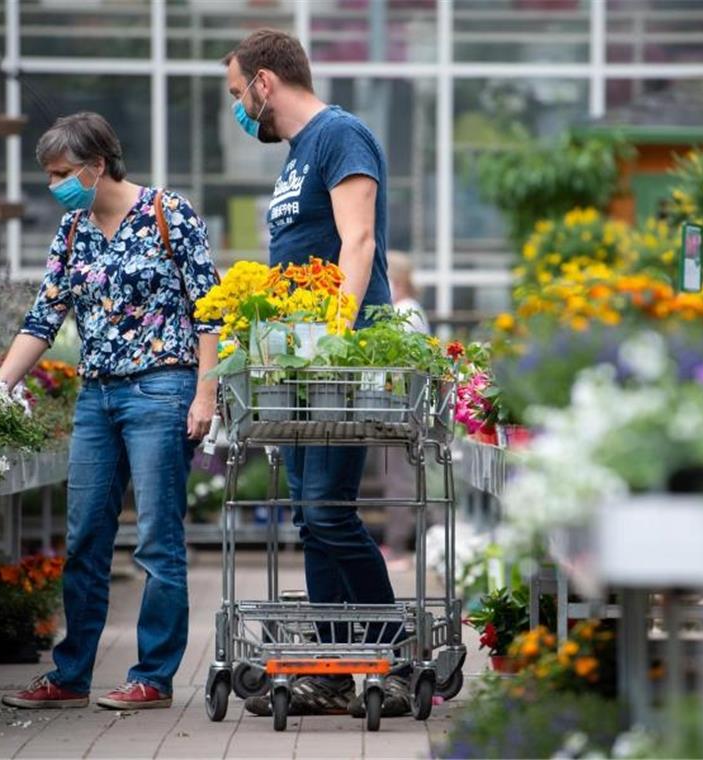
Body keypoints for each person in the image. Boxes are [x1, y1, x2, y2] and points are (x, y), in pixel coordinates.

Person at [0, 112, 222, 711]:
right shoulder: (72, 230)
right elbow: (43, 319)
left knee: (156, 540)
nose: (55, 186)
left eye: (63, 173)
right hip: (96, 396)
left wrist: (206, 393)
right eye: (49, 175)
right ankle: (71, 676)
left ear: (97, 166)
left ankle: (153, 677)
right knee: (86, 537)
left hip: (161, 389)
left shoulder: (169, 215)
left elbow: (210, 310)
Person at [223, 28, 412, 718]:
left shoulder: (340, 135)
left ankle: (396, 661)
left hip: (341, 356)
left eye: (240, 94)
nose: (240, 110)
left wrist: (333, 338)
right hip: (301, 362)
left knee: (330, 510)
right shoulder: (299, 155)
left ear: (266, 82)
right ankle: (333, 670)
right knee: (312, 515)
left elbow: (358, 240)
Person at [379, 251, 429, 570]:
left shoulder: (405, 313)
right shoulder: (411, 311)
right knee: (401, 477)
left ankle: (398, 548)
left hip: (401, 408)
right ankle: (397, 545)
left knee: (399, 479)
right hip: (401, 407)